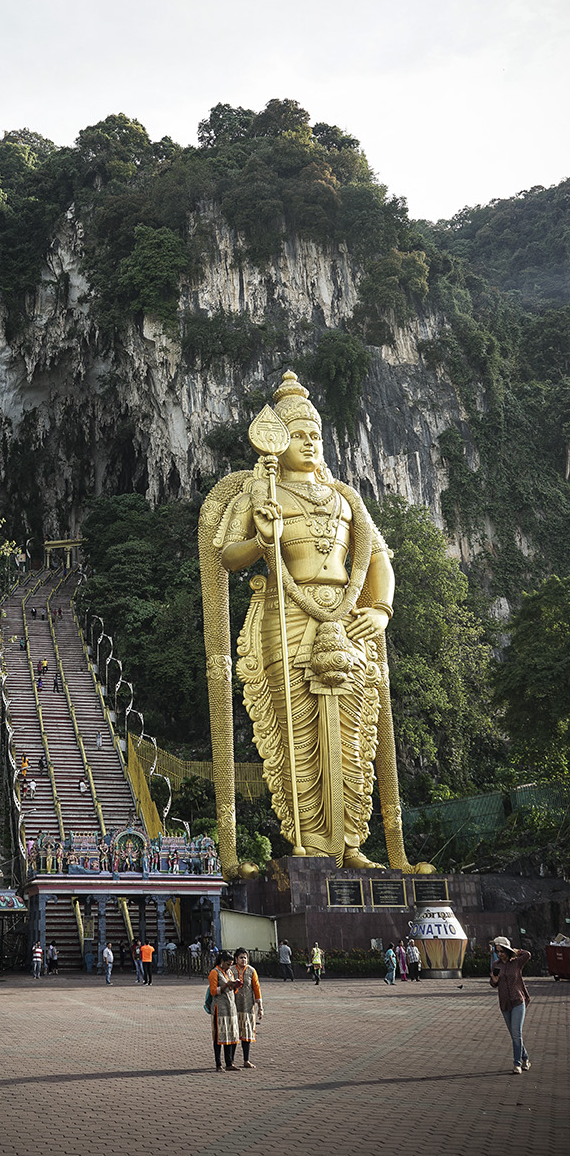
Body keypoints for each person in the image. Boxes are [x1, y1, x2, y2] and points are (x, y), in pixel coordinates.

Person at [202, 371, 434, 876]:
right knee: (293, 733)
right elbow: (226, 555)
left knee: (353, 731)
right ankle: (305, 843)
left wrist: (381, 608)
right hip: (283, 616)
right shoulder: (259, 493)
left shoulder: (346, 498)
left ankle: (351, 843)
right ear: (277, 441)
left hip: (349, 618)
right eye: (299, 435)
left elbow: (377, 559)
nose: (310, 443)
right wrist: (263, 539)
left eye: (316, 435)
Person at [489, 937, 532, 1073]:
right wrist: (494, 981)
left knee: (516, 1033)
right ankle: (525, 1058)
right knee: (514, 1034)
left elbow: (527, 954)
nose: (500, 954)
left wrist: (514, 950)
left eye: (502, 951)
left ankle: (517, 1064)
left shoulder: (516, 963)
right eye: (498, 951)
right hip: (505, 1003)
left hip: (518, 1001)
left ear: (507, 951)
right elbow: (493, 984)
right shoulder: (496, 965)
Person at [208, 951, 239, 1072]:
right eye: (227, 964)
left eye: (231, 964)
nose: (229, 966)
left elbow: (232, 990)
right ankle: (218, 1063)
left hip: (231, 1007)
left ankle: (229, 1062)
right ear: (222, 962)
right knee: (219, 1036)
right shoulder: (214, 972)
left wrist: (234, 985)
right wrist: (226, 985)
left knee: (230, 1034)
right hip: (219, 1008)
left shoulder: (229, 972)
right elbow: (213, 991)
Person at [233, 949, 263, 1068]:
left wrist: (260, 1007)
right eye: (241, 957)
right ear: (236, 959)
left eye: (245, 958)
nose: (243, 960)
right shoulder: (231, 970)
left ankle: (246, 1060)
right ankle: (231, 1061)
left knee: (247, 1034)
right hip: (234, 1008)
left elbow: (256, 988)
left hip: (248, 1007)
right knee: (233, 1034)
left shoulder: (251, 971)